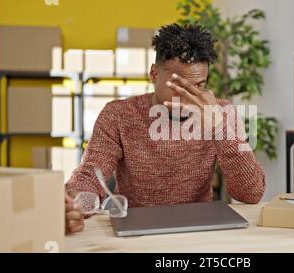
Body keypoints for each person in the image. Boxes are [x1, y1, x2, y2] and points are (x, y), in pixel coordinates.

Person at [64, 24, 266, 234]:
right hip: (136, 230)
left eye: (198, 86)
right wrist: (76, 205)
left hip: (200, 230)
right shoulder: (118, 114)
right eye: (178, 87)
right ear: (153, 74)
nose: (188, 98)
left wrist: (219, 129)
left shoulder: (220, 112)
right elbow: (89, 176)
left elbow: (251, 193)